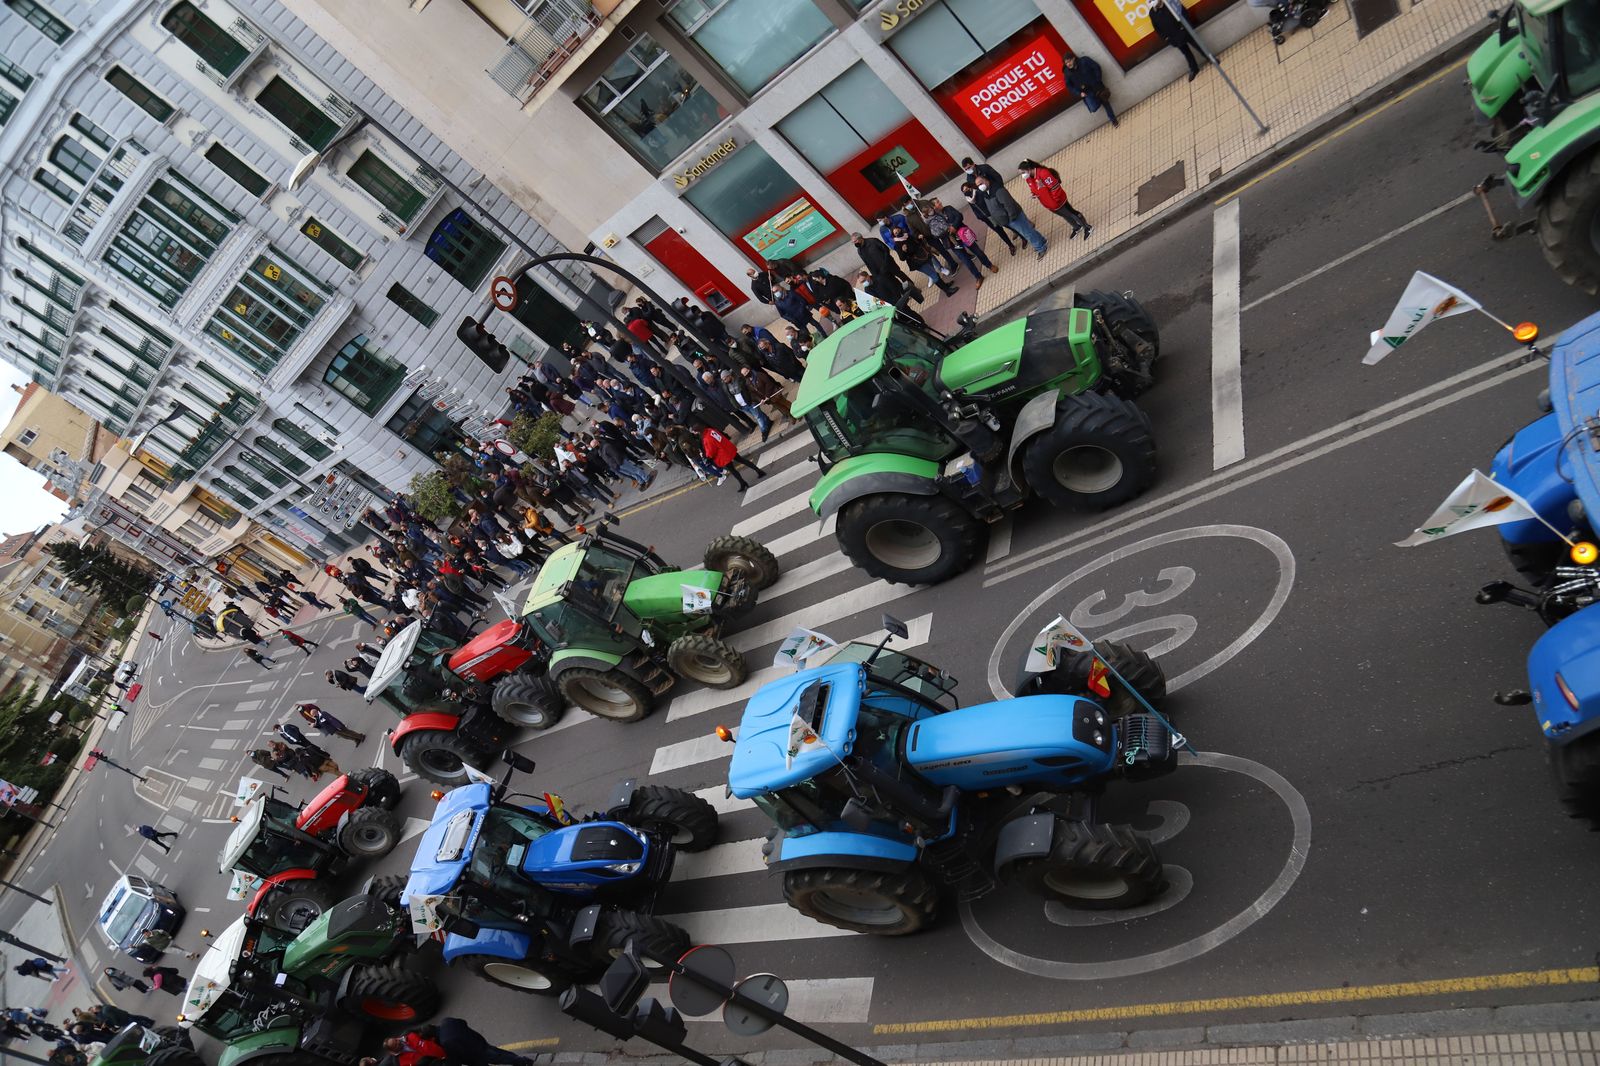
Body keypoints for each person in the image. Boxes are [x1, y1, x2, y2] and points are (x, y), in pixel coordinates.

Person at [973, 174, 1048, 259]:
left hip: (1014, 217)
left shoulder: (998, 190)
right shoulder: (986, 193)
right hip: (1008, 220)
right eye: (978, 185)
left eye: (981, 183)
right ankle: (1042, 241)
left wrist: (1011, 218)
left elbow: (1008, 205)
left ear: (986, 180)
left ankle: (1041, 248)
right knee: (1027, 230)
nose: (980, 186)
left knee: (1027, 233)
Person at [1020, 160, 1091, 239]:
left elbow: (1055, 187)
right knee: (1064, 215)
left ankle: (1087, 227)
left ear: (1029, 169)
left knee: (1072, 213)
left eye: (1023, 172)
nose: (1022, 175)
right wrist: (1033, 194)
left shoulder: (1043, 173)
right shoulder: (1028, 179)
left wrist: (1056, 200)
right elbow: (1034, 189)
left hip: (1058, 201)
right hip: (1049, 204)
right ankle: (1077, 227)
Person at [699, 425, 766, 492]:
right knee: (742, 460)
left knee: (733, 470)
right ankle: (759, 471)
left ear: (697, 432)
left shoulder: (706, 439)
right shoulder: (711, 430)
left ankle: (742, 483)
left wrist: (707, 457)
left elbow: (711, 452)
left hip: (723, 455)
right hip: (728, 448)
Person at [1150, 0, 1204, 79]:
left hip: (1184, 32)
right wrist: (1167, 38)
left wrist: (1186, 27)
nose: (1152, 2)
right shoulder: (1152, 13)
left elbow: (1183, 12)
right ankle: (1194, 69)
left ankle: (1210, 58)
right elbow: (1157, 29)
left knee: (1198, 45)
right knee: (1186, 53)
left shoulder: (1170, 3)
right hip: (1174, 38)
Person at [1063, 52, 1118, 126]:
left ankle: (1113, 120)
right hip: (1087, 92)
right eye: (1066, 63)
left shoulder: (1084, 61)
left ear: (1073, 58)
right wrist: (1079, 93)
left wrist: (1098, 80)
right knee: (1093, 108)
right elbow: (1069, 86)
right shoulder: (1067, 73)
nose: (1068, 64)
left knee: (1105, 103)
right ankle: (1098, 100)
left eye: (1069, 61)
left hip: (1096, 86)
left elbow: (1096, 67)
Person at [298, 702, 366, 744]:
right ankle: (355, 739)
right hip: (333, 730)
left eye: (312, 715)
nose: (312, 716)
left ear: (315, 713)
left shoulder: (323, 714)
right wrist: (314, 725)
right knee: (344, 736)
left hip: (336, 727)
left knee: (347, 732)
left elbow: (332, 720)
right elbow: (319, 724)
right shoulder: (317, 718)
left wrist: (338, 726)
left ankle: (360, 736)